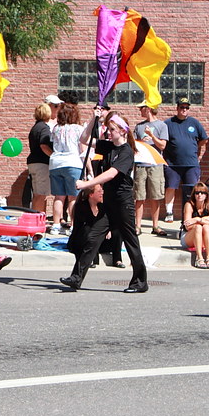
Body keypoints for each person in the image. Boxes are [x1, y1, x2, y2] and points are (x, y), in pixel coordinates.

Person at [65, 114, 149, 293]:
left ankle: (140, 282)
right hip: (109, 202)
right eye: (107, 129)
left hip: (123, 203)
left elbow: (111, 173)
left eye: (111, 130)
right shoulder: (108, 146)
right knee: (93, 238)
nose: (108, 133)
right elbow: (83, 139)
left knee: (130, 241)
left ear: (122, 131)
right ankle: (76, 278)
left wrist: (87, 184)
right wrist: (93, 119)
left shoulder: (126, 152)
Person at [162, 97, 208, 222]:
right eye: (182, 107)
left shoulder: (194, 122)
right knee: (170, 187)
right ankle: (169, 212)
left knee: (194, 189)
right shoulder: (168, 123)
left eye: (187, 107)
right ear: (177, 108)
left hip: (191, 164)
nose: (184, 110)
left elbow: (203, 139)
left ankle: (193, 212)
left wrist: (194, 148)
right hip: (172, 164)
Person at [61, 185, 111, 285]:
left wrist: (108, 231)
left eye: (102, 190)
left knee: (116, 234)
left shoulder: (103, 206)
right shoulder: (81, 206)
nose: (102, 193)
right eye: (99, 191)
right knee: (87, 239)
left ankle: (76, 279)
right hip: (83, 239)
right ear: (91, 195)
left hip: (100, 240)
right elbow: (84, 227)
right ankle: (76, 279)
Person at [49, 102, 85, 233]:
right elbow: (82, 148)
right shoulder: (78, 129)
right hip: (73, 162)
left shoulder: (56, 128)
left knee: (59, 197)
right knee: (73, 197)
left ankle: (56, 224)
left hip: (56, 163)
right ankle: (74, 224)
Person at [133, 102, 168, 236]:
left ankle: (155, 225)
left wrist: (152, 136)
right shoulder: (139, 126)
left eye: (141, 108)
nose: (140, 111)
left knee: (155, 196)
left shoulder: (161, 125)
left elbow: (163, 146)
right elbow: (135, 145)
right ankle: (138, 225)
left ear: (147, 109)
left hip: (155, 165)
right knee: (139, 196)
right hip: (141, 164)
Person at [181, 183, 209, 269]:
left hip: (204, 235)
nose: (199, 195)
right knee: (198, 227)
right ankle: (199, 258)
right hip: (188, 237)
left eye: (202, 193)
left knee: (206, 227)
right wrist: (206, 220)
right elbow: (187, 226)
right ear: (194, 194)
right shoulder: (189, 205)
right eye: (197, 193)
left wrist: (198, 220)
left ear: (206, 195)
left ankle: (208, 258)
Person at [26, 103, 53, 213]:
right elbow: (43, 145)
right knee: (41, 194)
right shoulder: (44, 128)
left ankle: (37, 216)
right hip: (42, 163)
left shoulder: (35, 127)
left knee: (37, 193)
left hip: (32, 162)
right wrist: (53, 156)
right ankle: (36, 218)